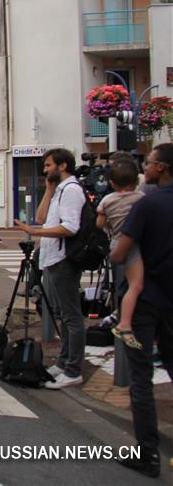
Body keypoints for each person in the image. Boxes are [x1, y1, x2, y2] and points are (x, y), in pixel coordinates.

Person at [110, 143, 173, 479]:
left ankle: (148, 454)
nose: (143, 168)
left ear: (161, 168)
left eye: (148, 163)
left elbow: (121, 253)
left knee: (141, 379)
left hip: (146, 300)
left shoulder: (148, 206)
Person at [12, 148, 85, 389]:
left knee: (71, 316)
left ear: (62, 166)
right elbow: (42, 217)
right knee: (61, 314)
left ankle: (74, 369)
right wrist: (49, 188)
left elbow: (70, 227)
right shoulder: (60, 190)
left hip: (63, 259)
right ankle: (64, 363)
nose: (45, 170)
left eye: (48, 165)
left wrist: (34, 232)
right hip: (52, 259)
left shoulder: (72, 190)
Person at [94, 159, 144, 349]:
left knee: (120, 283)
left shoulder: (107, 200)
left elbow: (99, 224)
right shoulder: (141, 198)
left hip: (115, 243)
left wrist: (110, 226)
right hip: (132, 244)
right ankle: (123, 320)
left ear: (112, 183)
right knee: (136, 285)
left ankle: (119, 311)